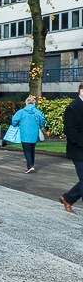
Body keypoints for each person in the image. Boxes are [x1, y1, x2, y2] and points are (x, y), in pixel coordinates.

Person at [60, 83, 83, 214]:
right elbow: (70, 130)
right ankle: (67, 199)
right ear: (81, 91)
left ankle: (68, 198)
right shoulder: (73, 107)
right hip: (78, 151)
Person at [11, 96, 45, 174]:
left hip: (24, 133)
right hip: (34, 133)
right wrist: (40, 125)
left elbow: (14, 120)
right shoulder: (37, 112)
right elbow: (42, 120)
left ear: (26, 103)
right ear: (34, 103)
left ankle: (30, 166)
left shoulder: (21, 112)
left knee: (27, 150)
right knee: (32, 149)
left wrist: (15, 125)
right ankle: (31, 164)